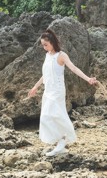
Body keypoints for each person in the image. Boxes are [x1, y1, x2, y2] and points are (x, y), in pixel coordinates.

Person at [28, 28, 98, 156]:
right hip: (48, 90)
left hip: (57, 90)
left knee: (53, 115)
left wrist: (88, 79)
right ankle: (61, 142)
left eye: (46, 44)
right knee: (46, 117)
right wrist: (35, 87)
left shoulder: (61, 56)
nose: (44, 47)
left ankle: (62, 141)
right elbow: (45, 75)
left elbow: (74, 68)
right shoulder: (47, 56)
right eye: (43, 45)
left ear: (53, 42)